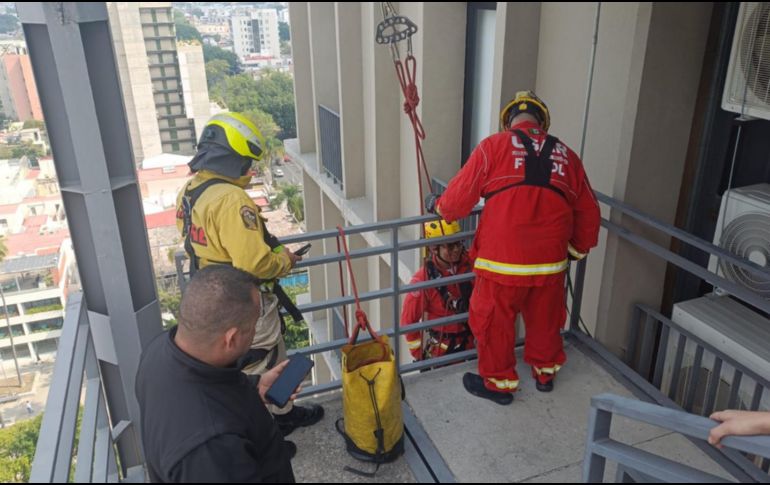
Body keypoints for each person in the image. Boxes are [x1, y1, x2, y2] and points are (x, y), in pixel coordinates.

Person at [426, 91, 600, 404]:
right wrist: (576, 250)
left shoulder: (494, 146)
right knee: (546, 320)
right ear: (541, 123)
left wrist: (438, 207)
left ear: (510, 122)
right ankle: (545, 374)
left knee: (493, 323)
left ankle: (499, 384)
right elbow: (588, 212)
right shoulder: (568, 156)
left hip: (500, 261)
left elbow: (456, 202)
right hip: (549, 263)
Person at [176, 112, 323, 434]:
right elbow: (253, 263)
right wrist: (283, 261)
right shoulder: (230, 199)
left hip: (210, 293)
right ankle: (270, 427)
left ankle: (278, 416)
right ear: (234, 160)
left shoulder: (192, 190)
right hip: (242, 299)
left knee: (242, 364)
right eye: (246, 162)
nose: (248, 169)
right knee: (263, 359)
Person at [136, 265, 297, 482]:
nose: (256, 330)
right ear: (231, 339)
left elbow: (213, 389)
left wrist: (256, 387)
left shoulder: (159, 352)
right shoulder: (212, 450)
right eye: (254, 324)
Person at [401, 219, 475, 361]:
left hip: (472, 343)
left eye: (458, 243)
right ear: (434, 249)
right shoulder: (423, 280)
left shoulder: (469, 263)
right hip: (444, 350)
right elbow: (408, 323)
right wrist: (420, 356)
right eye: (450, 245)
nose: (456, 249)